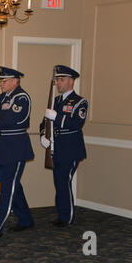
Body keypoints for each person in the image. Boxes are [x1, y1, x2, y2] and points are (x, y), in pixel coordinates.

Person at [0, 66, 35, 237]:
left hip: (16, 146)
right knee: (13, 185)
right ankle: (26, 219)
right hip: (2, 145)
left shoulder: (21, 97)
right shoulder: (2, 98)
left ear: (15, 81)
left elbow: (9, 120)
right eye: (1, 81)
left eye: (4, 81)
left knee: (7, 187)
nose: (1, 84)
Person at [40, 65, 87, 228]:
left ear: (71, 81)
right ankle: (62, 215)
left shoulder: (80, 102)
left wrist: (57, 117)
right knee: (59, 182)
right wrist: (42, 136)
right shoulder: (56, 101)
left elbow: (76, 123)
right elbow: (44, 122)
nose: (58, 83)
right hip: (56, 149)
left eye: (62, 80)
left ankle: (67, 217)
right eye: (58, 80)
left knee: (63, 181)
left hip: (71, 149)